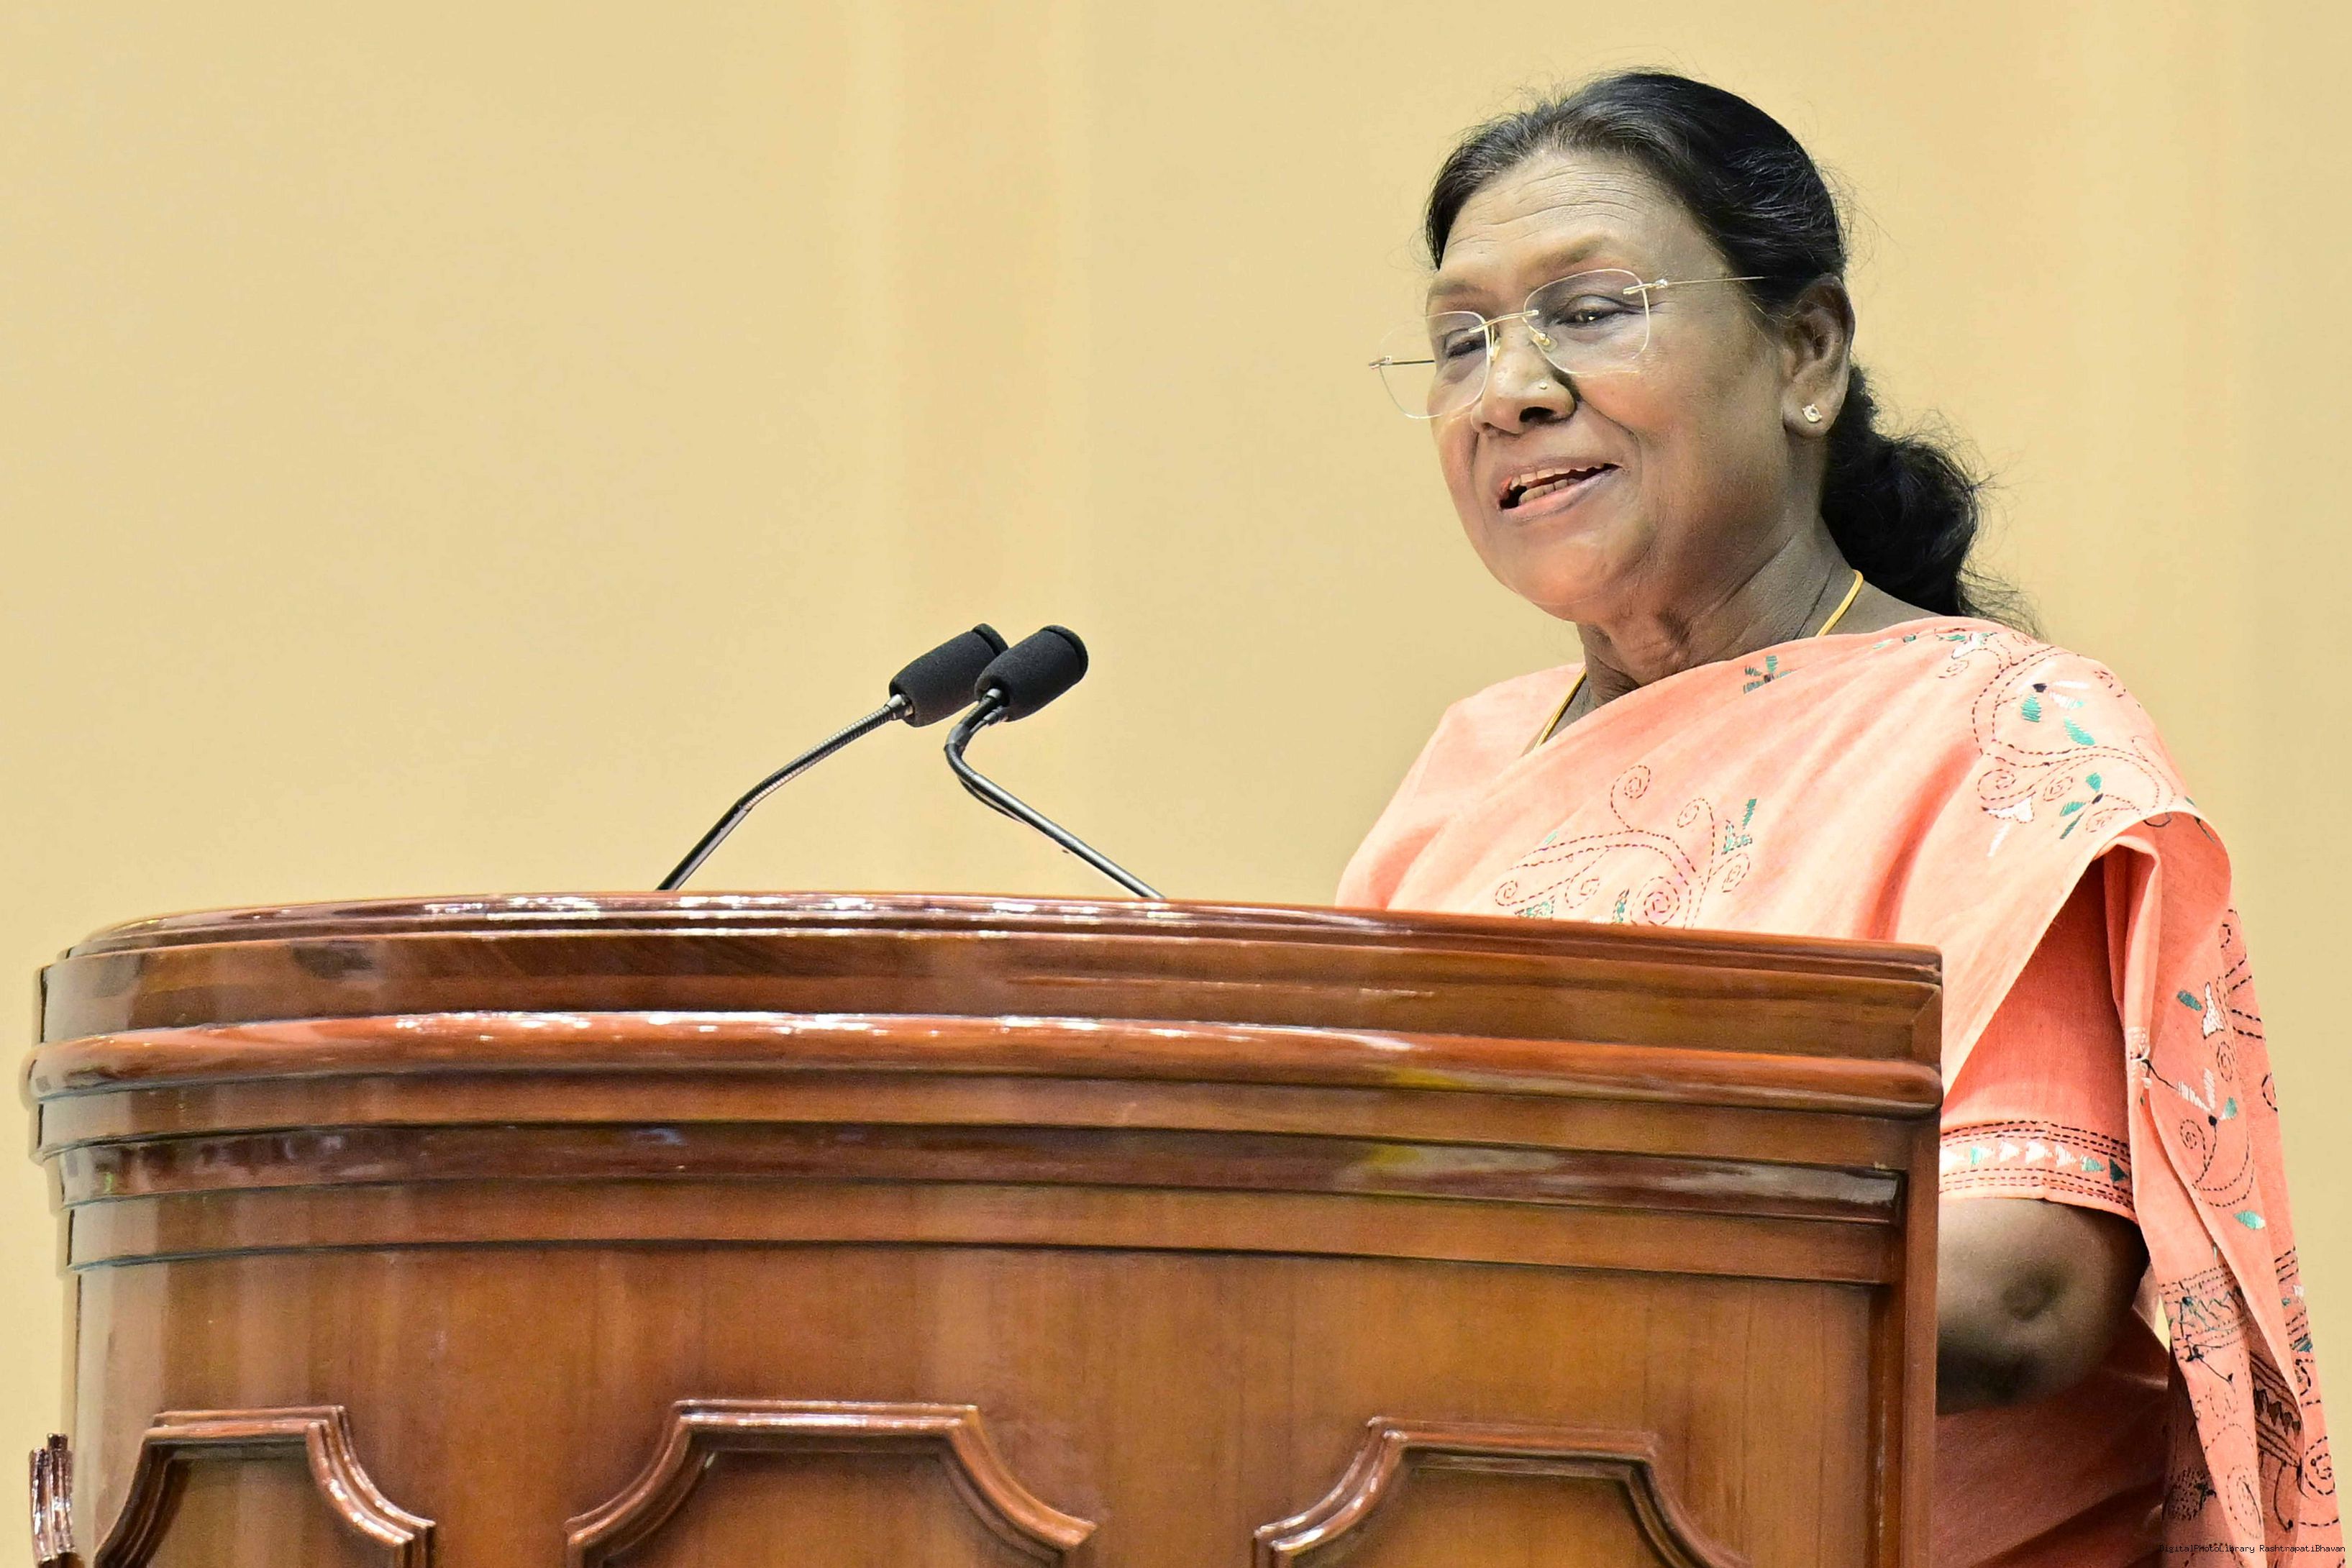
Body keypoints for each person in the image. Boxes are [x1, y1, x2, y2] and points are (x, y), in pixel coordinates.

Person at [1339, 70, 2337, 1567]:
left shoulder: (1999, 736)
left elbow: (2015, 1296)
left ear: (1804, 354)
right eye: (1460, 340)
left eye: (1590, 311)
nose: (1509, 390)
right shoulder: (1467, 770)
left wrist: (1499, 1254)